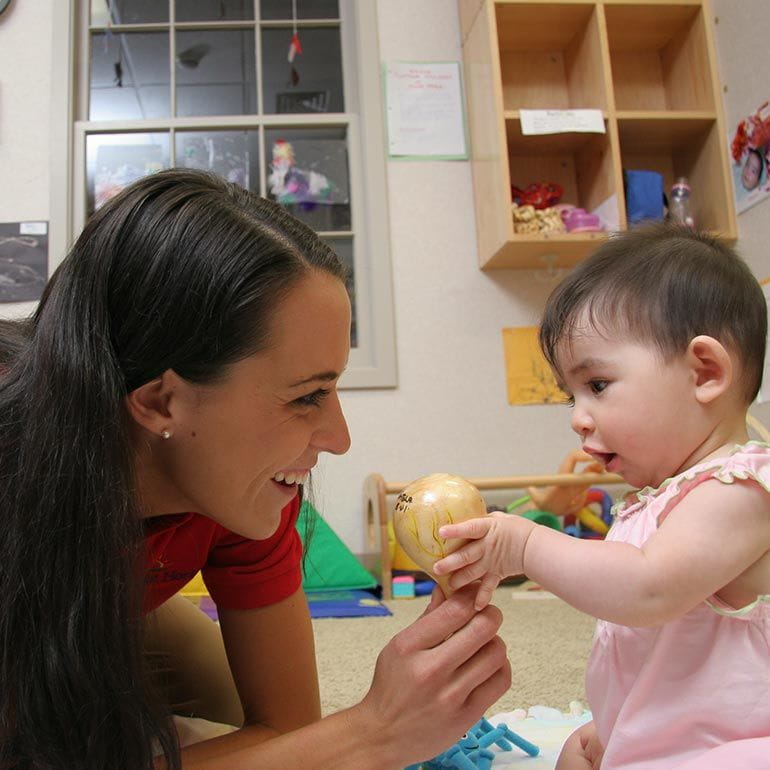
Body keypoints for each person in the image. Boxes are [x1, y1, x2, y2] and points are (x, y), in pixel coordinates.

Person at [0, 168, 511, 770]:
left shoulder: (245, 493)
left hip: (123, 595)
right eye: (305, 396)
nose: (340, 440)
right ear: (161, 401)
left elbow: (285, 727)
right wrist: (373, 732)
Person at [434, 223, 770, 769]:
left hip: (736, 744)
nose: (577, 418)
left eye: (597, 386)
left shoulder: (741, 487)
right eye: (571, 395)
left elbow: (646, 590)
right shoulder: (655, 498)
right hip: (673, 729)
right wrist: (618, 723)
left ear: (705, 372)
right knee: (579, 749)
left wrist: (525, 547)